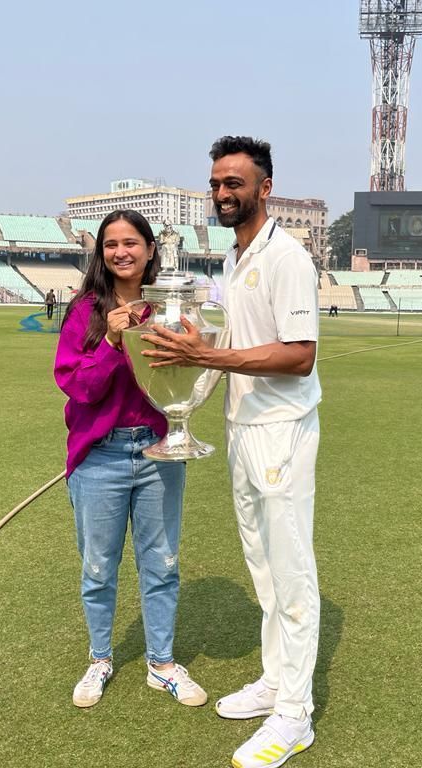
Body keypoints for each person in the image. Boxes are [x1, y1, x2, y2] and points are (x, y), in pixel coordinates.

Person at [140, 136, 321, 768]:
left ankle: (295, 717)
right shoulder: (235, 258)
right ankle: (276, 681)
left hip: (282, 429)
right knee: (264, 570)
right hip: (243, 428)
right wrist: (183, 391)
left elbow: (300, 356)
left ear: (264, 188)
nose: (222, 193)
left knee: (292, 573)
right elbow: (235, 344)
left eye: (234, 183)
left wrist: (206, 355)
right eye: (216, 183)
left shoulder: (286, 257)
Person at [53, 209, 207, 711]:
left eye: (131, 242)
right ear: (101, 252)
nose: (122, 251)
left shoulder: (170, 306)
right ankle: (100, 657)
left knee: (161, 563)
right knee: (98, 567)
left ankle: (160, 664)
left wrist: (189, 344)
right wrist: (114, 342)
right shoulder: (85, 311)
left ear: (149, 248)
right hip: (100, 455)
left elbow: (185, 378)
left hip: (159, 450)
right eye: (111, 243)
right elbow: (77, 385)